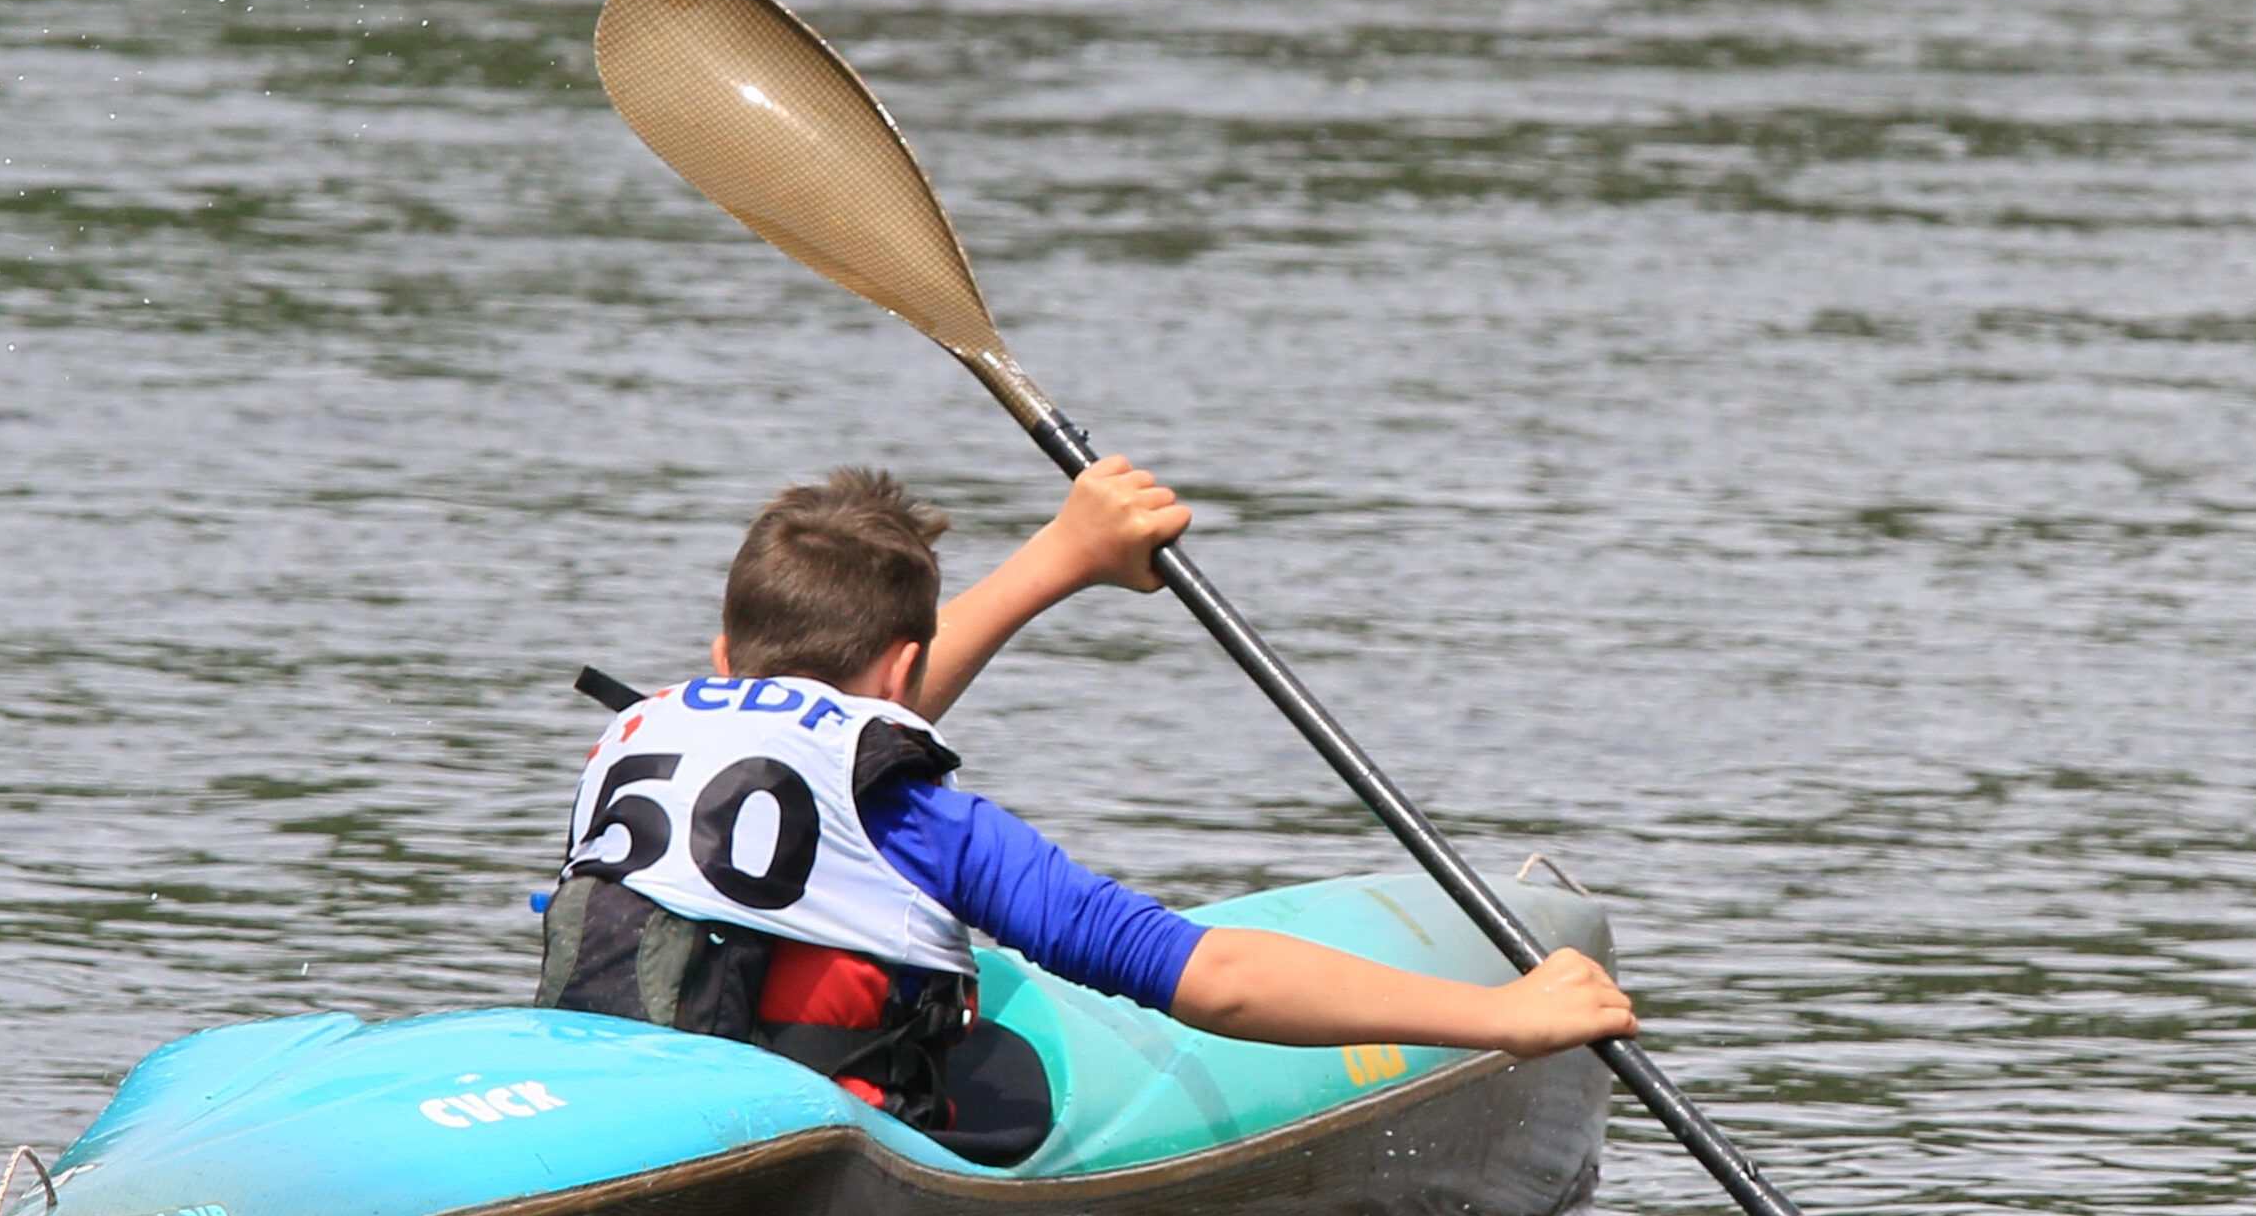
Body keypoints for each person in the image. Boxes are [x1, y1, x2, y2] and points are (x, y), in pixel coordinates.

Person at [537, 460, 1633, 1165]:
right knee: (1002, 1063)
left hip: (616, 1101)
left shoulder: (649, 729)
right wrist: (1506, 1018)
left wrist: (1064, 558)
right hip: (799, 1138)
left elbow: (837, 716)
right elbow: (1214, 981)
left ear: (722, 654)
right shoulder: (924, 822)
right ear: (907, 665)